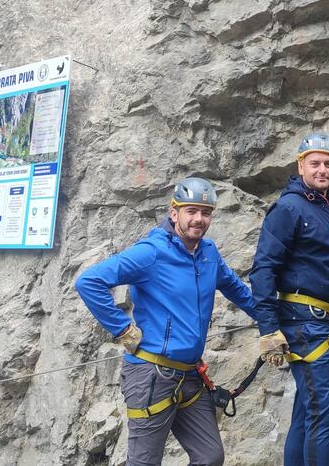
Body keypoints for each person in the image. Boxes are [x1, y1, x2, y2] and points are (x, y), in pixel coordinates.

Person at [76, 177, 258, 466]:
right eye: (191, 211)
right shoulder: (152, 252)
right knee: (145, 462)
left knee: (210, 456)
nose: (199, 219)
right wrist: (122, 329)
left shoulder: (208, 253)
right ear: (174, 213)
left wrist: (275, 324)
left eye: (206, 212)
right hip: (151, 375)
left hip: (189, 376)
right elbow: (89, 282)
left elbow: (239, 292)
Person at [251, 132, 329, 466]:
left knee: (308, 409)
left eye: (328, 164)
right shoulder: (288, 209)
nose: (322, 170)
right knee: (324, 410)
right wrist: (268, 329)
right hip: (303, 323)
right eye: (314, 163)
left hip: (326, 324)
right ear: (301, 165)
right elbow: (263, 270)